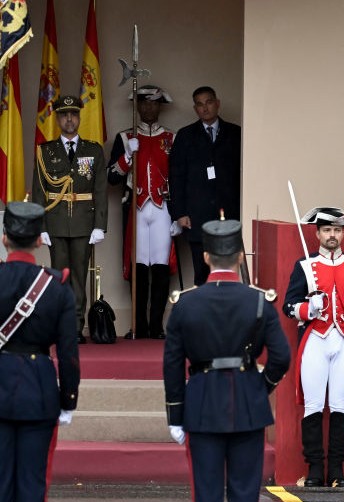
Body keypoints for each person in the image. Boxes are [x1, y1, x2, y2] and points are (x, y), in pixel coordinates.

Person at [162, 217, 290, 502]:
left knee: (206, 496)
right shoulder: (259, 301)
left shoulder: (185, 303)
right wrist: (261, 386)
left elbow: (172, 364)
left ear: (206, 257)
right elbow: (281, 356)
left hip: (202, 403)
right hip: (248, 401)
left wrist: (175, 414)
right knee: (245, 494)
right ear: (241, 256)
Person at [284, 207, 344, 488]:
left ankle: (336, 470)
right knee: (313, 406)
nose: (332, 235)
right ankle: (314, 469)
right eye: (327, 230)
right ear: (317, 233)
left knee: (340, 406)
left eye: (336, 230)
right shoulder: (304, 266)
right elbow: (288, 306)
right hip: (314, 340)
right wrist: (307, 308)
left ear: (343, 233)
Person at [0, 201, 79, 502]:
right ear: (38, 240)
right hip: (39, 392)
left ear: (5, 238)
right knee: (34, 485)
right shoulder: (57, 287)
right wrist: (68, 400)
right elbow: (69, 353)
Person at [31, 95, 108, 343]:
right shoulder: (45, 151)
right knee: (58, 276)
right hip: (55, 221)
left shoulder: (93, 150)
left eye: (73, 114)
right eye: (64, 115)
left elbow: (100, 191)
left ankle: (75, 326)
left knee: (78, 275)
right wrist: (40, 225)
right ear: (57, 118)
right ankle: (60, 324)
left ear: (79, 117)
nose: (69, 119)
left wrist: (100, 225)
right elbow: (39, 189)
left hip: (84, 222)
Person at [107, 85, 178, 339]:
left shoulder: (171, 138)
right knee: (137, 269)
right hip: (135, 209)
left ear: (160, 106)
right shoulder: (125, 138)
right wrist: (127, 155)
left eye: (154, 103)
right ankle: (138, 326)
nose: (149, 108)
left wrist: (179, 214)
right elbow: (112, 178)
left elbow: (179, 178)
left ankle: (157, 326)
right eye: (144, 103)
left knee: (160, 268)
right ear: (137, 106)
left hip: (163, 210)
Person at [168, 86, 242, 285]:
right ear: (195, 109)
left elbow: (244, 174)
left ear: (217, 103)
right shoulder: (185, 136)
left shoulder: (236, 133)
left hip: (229, 214)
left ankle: (226, 315)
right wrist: (179, 213)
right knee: (202, 273)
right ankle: (204, 314)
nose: (205, 108)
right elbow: (176, 176)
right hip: (196, 215)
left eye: (209, 102)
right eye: (200, 104)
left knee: (228, 272)